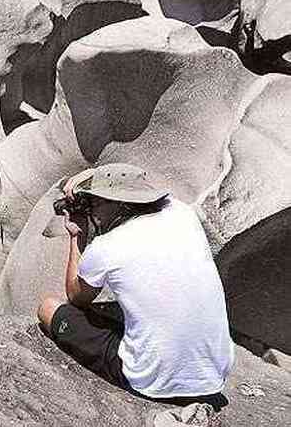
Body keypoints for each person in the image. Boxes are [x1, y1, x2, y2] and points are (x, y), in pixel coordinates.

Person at [36, 163, 234, 407]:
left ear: (119, 204)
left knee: (48, 307)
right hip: (212, 378)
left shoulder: (107, 246)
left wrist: (77, 235)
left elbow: (77, 296)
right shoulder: (182, 212)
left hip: (152, 381)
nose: (93, 210)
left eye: (97, 202)